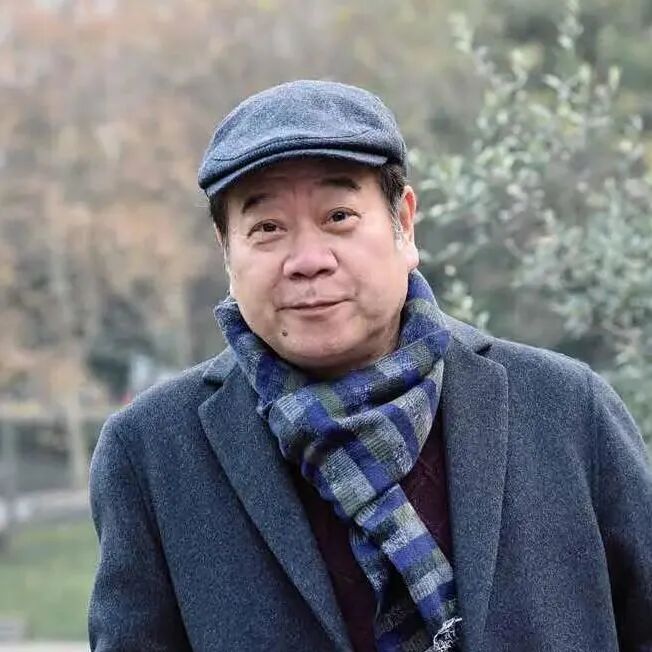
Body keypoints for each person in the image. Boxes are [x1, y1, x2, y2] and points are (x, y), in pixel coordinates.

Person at [88, 80, 652, 652]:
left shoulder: (566, 409)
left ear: (404, 223)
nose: (308, 261)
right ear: (227, 251)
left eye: (339, 216)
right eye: (267, 229)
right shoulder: (153, 451)